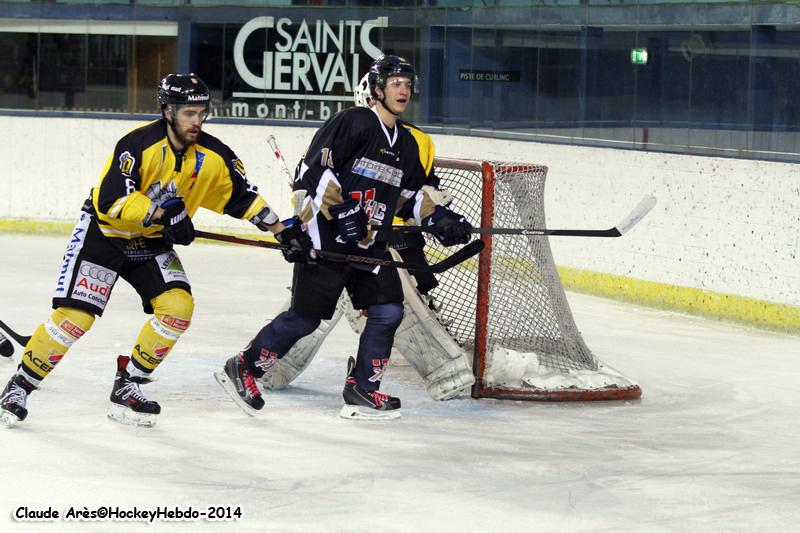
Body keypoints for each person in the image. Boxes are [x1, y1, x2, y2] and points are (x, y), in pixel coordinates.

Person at [0, 73, 311, 428]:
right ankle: (19, 386)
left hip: (149, 245)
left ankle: (128, 383)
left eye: (201, 112)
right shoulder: (137, 145)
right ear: (167, 111)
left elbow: (242, 198)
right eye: (188, 113)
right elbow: (109, 201)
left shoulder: (214, 156)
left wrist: (281, 231)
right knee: (76, 320)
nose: (197, 121)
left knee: (178, 309)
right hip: (104, 237)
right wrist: (163, 213)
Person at [215, 55, 473, 420]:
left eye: (408, 83)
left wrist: (441, 219)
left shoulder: (407, 144)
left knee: (387, 311)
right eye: (395, 82)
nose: (404, 89)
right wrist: (341, 211)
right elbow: (314, 173)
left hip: (370, 245)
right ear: (377, 88)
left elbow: (410, 195)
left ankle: (363, 390)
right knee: (306, 318)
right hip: (327, 241)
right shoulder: (352, 121)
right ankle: (243, 367)